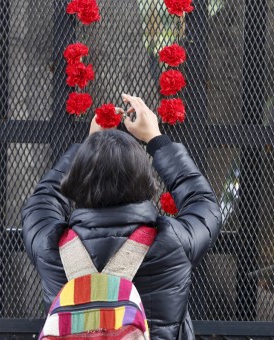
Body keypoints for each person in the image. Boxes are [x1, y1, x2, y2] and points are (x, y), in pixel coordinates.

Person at [22, 94, 222, 339]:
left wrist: (89, 146)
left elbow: (42, 200)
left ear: (75, 178)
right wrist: (156, 141)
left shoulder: (51, 246)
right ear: (144, 178)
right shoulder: (172, 243)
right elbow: (204, 204)